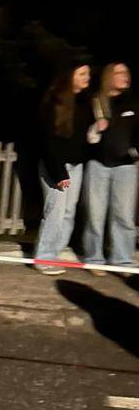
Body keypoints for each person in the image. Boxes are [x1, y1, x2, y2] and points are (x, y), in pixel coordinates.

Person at [34, 61, 103, 275]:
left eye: (88, 73)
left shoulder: (85, 102)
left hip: (76, 165)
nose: (87, 77)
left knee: (68, 212)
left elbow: (85, 140)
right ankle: (44, 257)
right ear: (70, 75)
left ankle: (56, 251)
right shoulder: (54, 102)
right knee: (54, 211)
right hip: (56, 165)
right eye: (82, 73)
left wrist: (96, 130)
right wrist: (58, 173)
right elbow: (48, 141)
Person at [83, 63, 138, 274]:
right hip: (98, 165)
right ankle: (94, 258)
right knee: (95, 215)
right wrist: (96, 128)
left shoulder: (133, 103)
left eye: (126, 72)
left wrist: (134, 152)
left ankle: (122, 260)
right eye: (119, 73)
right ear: (109, 77)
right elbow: (85, 136)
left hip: (126, 167)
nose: (124, 76)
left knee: (123, 215)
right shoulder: (96, 101)